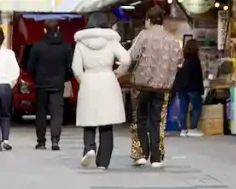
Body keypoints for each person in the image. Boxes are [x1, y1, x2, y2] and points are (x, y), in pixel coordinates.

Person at [72, 12, 130, 170]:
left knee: (89, 119)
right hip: (108, 80)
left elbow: (76, 68)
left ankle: (89, 148)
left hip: (89, 80)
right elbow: (126, 59)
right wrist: (118, 72)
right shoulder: (112, 41)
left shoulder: (81, 43)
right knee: (106, 123)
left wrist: (83, 79)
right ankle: (103, 162)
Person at [129, 7, 182, 167]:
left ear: (148, 20)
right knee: (157, 120)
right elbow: (180, 61)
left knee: (140, 119)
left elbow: (133, 55)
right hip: (162, 86)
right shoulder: (172, 39)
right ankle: (156, 157)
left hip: (141, 85)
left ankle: (141, 154)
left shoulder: (144, 36)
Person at [26, 19, 73, 151]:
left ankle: (41, 142)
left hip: (41, 84)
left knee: (40, 113)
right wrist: (63, 78)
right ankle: (55, 141)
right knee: (56, 113)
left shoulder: (37, 46)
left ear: (44, 30)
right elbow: (70, 69)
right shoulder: (66, 47)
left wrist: (36, 78)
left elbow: (30, 67)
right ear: (58, 29)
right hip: (58, 85)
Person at [173, 39, 205, 137]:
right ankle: (193, 128)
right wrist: (201, 89)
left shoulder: (183, 59)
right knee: (197, 108)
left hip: (181, 88)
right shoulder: (195, 60)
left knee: (183, 109)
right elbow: (198, 76)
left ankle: (183, 130)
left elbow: (178, 74)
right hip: (193, 87)